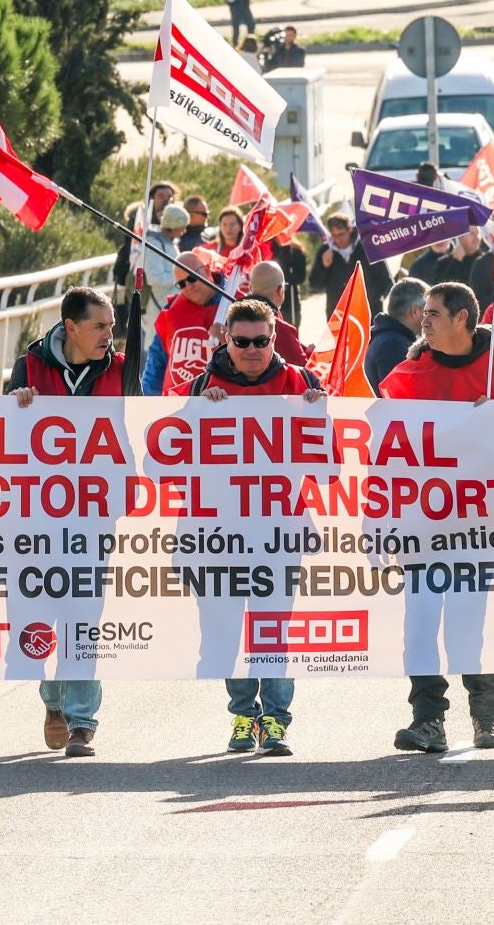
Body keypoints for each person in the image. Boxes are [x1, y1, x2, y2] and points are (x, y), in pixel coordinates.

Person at [379, 282, 494, 753]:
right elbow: (384, 450)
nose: (423, 320)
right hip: (422, 526)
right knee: (421, 623)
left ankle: (485, 717)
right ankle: (428, 720)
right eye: (423, 312)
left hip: (481, 523)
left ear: (462, 318)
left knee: (471, 622)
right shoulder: (407, 376)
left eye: (433, 313)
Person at [186, 298, 326, 756]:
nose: (250, 350)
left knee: (272, 626)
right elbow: (169, 456)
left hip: (280, 529)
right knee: (225, 628)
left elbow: (330, 468)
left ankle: (276, 720)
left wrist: (317, 414)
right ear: (226, 338)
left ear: (273, 339)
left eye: (260, 341)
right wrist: (196, 414)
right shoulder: (203, 385)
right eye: (241, 341)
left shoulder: (301, 383)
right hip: (219, 534)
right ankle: (244, 714)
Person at [8, 287, 125, 758]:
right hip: (35, 515)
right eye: (99, 326)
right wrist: (16, 403)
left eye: (112, 326)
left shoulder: (120, 369)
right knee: (37, 614)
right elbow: (4, 435)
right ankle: (52, 700)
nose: (108, 335)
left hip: (94, 514)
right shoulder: (29, 366)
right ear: (70, 327)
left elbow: (146, 422)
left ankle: (81, 720)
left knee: (83, 616)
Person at [141, 250, 227, 397]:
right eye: (181, 284)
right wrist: (147, 402)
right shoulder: (172, 310)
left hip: (221, 405)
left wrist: (230, 339)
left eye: (192, 278)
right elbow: (156, 363)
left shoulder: (234, 306)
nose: (188, 286)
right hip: (177, 408)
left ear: (207, 270)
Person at [309, 212, 391, 319]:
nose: (338, 239)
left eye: (341, 234)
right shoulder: (325, 251)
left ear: (350, 229)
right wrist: (324, 267)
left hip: (368, 314)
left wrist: (365, 298)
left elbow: (385, 280)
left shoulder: (367, 247)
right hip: (338, 316)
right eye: (334, 235)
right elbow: (315, 285)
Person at [247, 259, 315, 367]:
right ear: (280, 290)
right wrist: (312, 355)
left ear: (250, 288)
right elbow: (303, 372)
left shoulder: (234, 319)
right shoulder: (277, 327)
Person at [365, 277, 426, 388]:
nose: (429, 318)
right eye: (427, 311)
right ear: (415, 311)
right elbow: (399, 396)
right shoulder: (394, 344)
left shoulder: (388, 337)